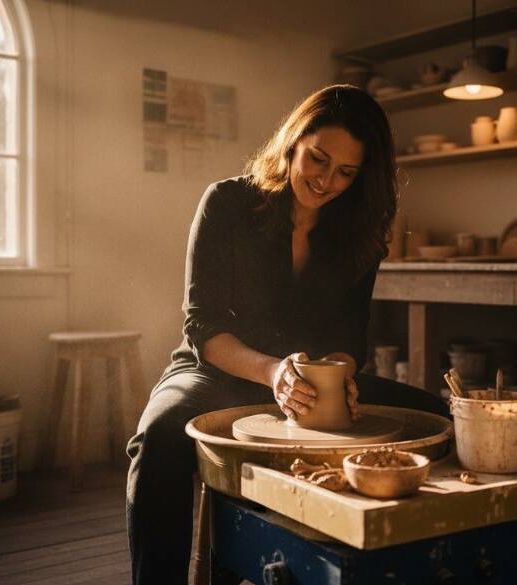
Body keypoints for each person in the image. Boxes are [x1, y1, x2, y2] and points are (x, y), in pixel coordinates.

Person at [125, 84, 447, 584]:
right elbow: (203, 324)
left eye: (346, 172)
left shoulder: (358, 229)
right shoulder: (228, 202)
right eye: (317, 159)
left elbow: (349, 335)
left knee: (437, 417)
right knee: (158, 435)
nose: (325, 181)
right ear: (293, 142)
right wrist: (272, 371)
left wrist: (339, 374)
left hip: (309, 381)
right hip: (219, 367)